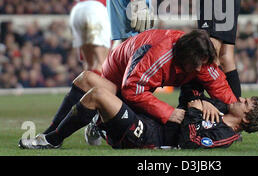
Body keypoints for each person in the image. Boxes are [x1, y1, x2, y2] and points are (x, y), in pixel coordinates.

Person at [35, 29, 239, 146]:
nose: (200, 68)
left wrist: (237, 111)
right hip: (118, 81)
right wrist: (168, 112)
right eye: (196, 64)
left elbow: (219, 84)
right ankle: (54, 135)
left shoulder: (198, 55)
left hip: (135, 81)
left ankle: (99, 121)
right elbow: (131, 89)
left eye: (202, 64)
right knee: (86, 79)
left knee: (197, 82)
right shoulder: (158, 56)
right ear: (184, 57)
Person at [18, 83, 258, 150]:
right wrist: (198, 101)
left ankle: (52, 140)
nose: (240, 99)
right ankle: (97, 123)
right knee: (88, 79)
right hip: (150, 120)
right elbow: (188, 96)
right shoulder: (221, 109)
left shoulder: (226, 136)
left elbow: (190, 143)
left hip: (149, 136)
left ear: (245, 120)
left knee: (97, 96)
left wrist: (194, 108)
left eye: (244, 103)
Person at [41, 0, 111, 135]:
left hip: (94, 19)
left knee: (95, 72)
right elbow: (82, 2)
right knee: (98, 70)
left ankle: (58, 128)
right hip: (94, 18)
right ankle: (95, 122)